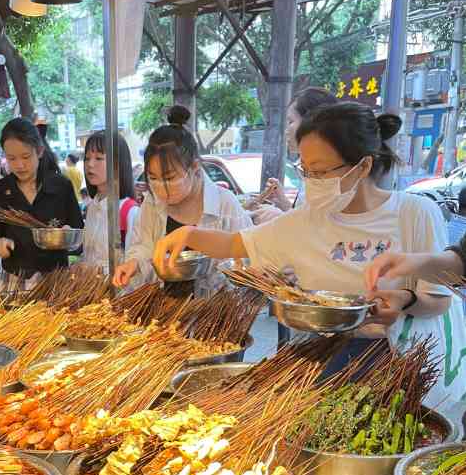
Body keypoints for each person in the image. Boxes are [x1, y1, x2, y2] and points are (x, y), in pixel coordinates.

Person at [153, 102, 465, 406]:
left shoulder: (414, 213)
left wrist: (404, 300)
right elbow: (233, 244)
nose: (311, 182)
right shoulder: (303, 221)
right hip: (320, 357)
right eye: (305, 170)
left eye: (320, 171)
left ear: (363, 165)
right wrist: (188, 234)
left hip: (393, 363)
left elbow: (438, 300)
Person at [113, 106, 252, 295]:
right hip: (164, 305)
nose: (161, 188)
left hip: (213, 307)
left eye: (170, 178)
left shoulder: (225, 204)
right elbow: (143, 245)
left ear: (194, 168)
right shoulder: (152, 203)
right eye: (153, 178)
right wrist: (134, 262)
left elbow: (247, 259)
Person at [0, 118, 83, 284]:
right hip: (15, 280)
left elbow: (78, 231)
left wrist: (68, 234)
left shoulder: (61, 186)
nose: (19, 165)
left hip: (56, 279)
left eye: (26, 157)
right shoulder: (0, 190)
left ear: (39, 151)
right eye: (11, 158)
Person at [250, 85, 336, 223]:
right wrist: (283, 202)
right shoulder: (311, 171)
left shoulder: (334, 175)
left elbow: (320, 229)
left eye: (291, 121)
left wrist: (278, 217)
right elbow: (307, 218)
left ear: (312, 123)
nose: (286, 131)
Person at [82, 131, 138, 273]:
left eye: (99, 158)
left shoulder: (129, 211)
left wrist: (94, 270)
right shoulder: (92, 207)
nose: (90, 164)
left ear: (118, 163)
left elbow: (135, 266)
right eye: (87, 158)